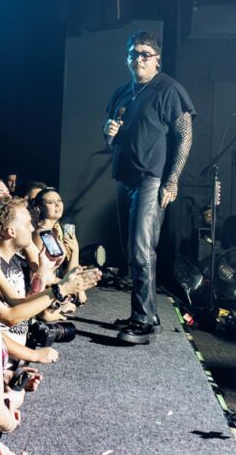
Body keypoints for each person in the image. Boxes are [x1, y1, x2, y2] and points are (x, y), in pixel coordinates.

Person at [104, 30, 195, 344]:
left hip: (151, 180)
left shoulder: (168, 89)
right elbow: (109, 138)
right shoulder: (122, 92)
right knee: (133, 250)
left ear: (157, 59)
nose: (138, 59)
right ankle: (148, 315)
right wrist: (108, 132)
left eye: (145, 54)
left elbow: (185, 136)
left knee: (141, 249)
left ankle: (142, 321)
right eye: (133, 53)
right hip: (124, 178)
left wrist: (172, 180)